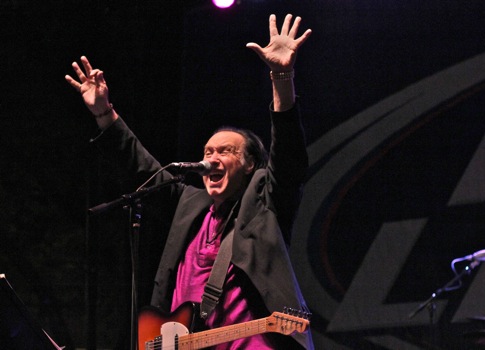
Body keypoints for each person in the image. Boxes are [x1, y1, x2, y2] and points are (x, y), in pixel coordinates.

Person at [66, 13, 313, 349]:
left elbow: (288, 159)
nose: (212, 158)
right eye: (208, 151)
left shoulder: (263, 201)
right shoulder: (189, 203)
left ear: (250, 165)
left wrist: (281, 77)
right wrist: (104, 114)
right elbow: (142, 168)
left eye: (225, 152)